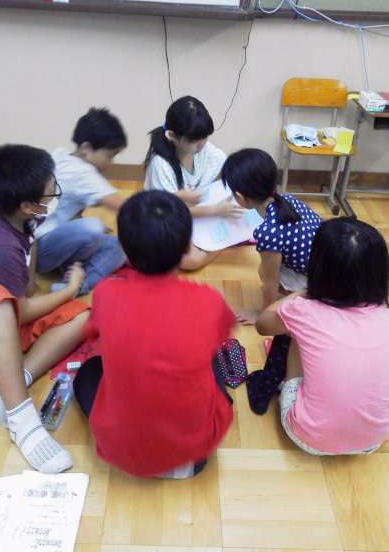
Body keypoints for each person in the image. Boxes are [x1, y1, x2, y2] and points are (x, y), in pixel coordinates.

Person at [73, 190, 235, 478]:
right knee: (210, 360)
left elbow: (95, 333)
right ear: (187, 247)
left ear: (124, 249)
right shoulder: (209, 301)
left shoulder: (106, 293)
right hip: (194, 453)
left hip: (121, 450)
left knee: (87, 373)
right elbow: (221, 335)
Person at [0, 144, 89, 473]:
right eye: (51, 191)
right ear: (26, 204)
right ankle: (22, 421)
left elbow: (28, 267)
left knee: (83, 316)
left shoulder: (17, 214)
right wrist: (69, 289)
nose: (55, 195)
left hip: (3, 312)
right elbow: (19, 311)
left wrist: (32, 284)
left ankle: (11, 379)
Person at [255, 218, 389, 454]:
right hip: (373, 441)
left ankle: (290, 384)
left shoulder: (304, 311)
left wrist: (305, 291)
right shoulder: (383, 313)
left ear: (319, 267)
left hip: (308, 437)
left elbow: (263, 324)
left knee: (293, 332)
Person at [222, 148, 321, 324]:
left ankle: (311, 299)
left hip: (321, 279)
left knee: (264, 271)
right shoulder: (287, 199)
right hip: (327, 262)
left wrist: (262, 315)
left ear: (240, 197)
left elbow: (270, 282)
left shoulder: (268, 234)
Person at [144, 95, 242, 271]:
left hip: (193, 214)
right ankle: (221, 243)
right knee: (189, 261)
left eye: (204, 137)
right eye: (193, 140)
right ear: (172, 136)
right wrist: (214, 210)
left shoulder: (206, 151)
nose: (201, 144)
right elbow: (168, 212)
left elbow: (229, 170)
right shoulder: (160, 164)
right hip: (164, 217)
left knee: (237, 214)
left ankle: (213, 241)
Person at [35, 107, 127, 294]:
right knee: (93, 228)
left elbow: (63, 204)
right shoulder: (83, 173)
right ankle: (76, 284)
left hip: (52, 242)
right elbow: (125, 206)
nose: (112, 162)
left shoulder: (60, 154)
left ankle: (72, 283)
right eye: (109, 155)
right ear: (86, 148)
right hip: (39, 251)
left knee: (120, 246)